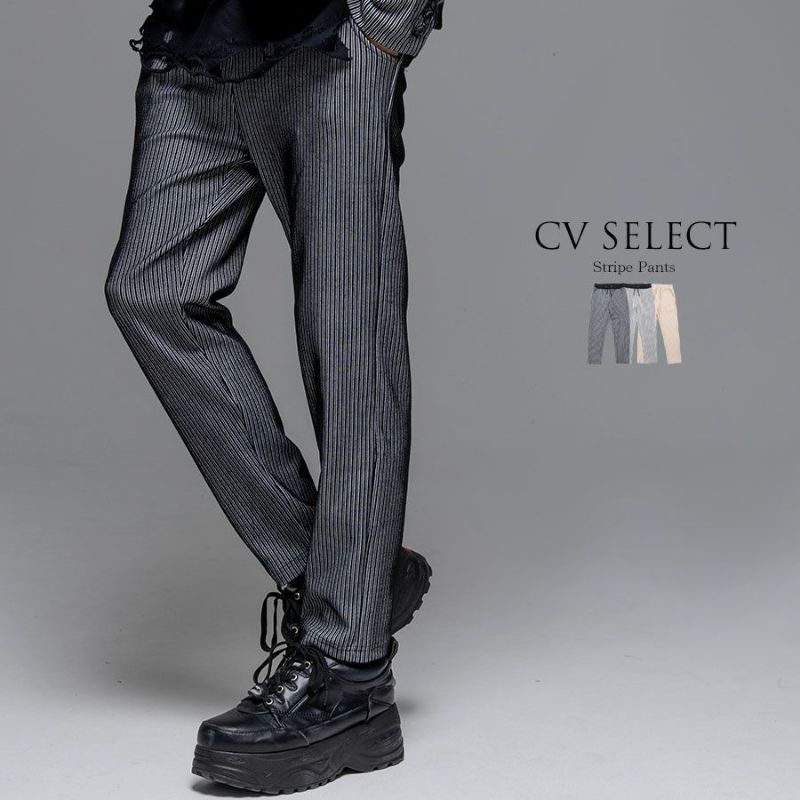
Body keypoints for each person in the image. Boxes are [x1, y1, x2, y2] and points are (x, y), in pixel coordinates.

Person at [104, 0, 444, 793]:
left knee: (348, 335)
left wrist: (389, 21)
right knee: (151, 291)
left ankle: (350, 676)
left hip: (333, 40)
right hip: (201, 35)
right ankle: (349, 578)